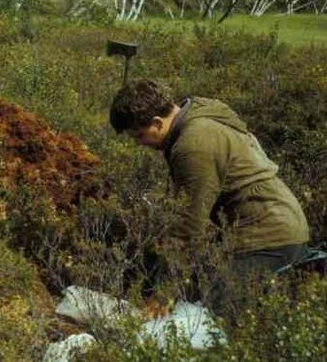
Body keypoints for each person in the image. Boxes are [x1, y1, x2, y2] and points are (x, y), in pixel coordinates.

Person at [110, 79, 310, 294]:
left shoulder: (194, 145)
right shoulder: (199, 113)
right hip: (278, 224)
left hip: (268, 239)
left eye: (139, 135)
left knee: (212, 312)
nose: (139, 143)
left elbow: (190, 223)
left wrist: (165, 290)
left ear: (158, 123)